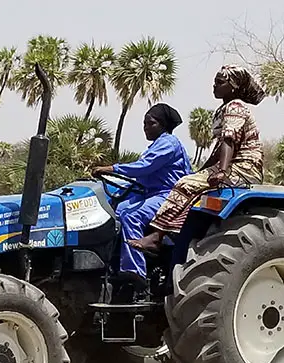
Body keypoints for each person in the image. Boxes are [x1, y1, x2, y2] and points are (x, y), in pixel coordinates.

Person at [128, 65, 266, 253]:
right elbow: (219, 150)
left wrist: (223, 171)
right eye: (214, 81)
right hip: (230, 164)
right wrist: (201, 172)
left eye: (220, 82)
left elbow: (229, 141)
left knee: (186, 184)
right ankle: (173, 234)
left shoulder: (236, 107)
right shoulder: (223, 109)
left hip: (244, 167)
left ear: (233, 86)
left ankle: (157, 237)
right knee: (188, 182)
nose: (214, 85)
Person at [91, 103, 192, 300]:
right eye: (144, 123)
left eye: (150, 123)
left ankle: (135, 272)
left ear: (162, 125)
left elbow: (144, 167)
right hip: (149, 194)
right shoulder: (155, 145)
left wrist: (112, 169)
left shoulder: (169, 143)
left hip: (169, 196)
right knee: (117, 212)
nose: (145, 127)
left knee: (132, 215)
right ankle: (111, 264)